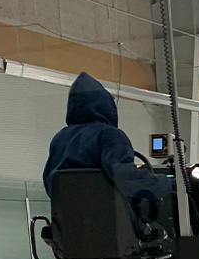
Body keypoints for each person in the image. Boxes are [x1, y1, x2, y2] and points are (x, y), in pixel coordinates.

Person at [43, 72, 174, 241]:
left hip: (70, 234)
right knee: (164, 237)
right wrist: (167, 184)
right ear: (106, 106)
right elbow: (126, 178)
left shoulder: (60, 139)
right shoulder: (110, 135)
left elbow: (50, 184)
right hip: (113, 232)